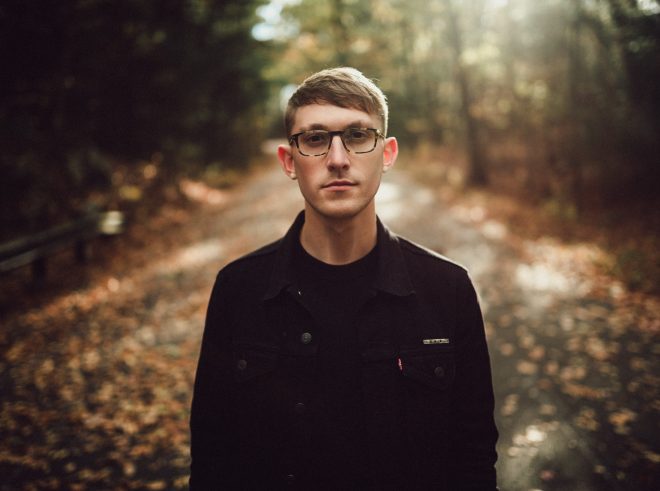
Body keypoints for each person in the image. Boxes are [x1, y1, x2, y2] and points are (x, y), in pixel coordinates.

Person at [190, 67, 498, 490]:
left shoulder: (447, 289)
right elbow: (213, 457)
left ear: (387, 154)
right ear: (289, 161)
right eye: (315, 139)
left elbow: (474, 455)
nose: (337, 159)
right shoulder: (238, 290)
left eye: (357, 136)